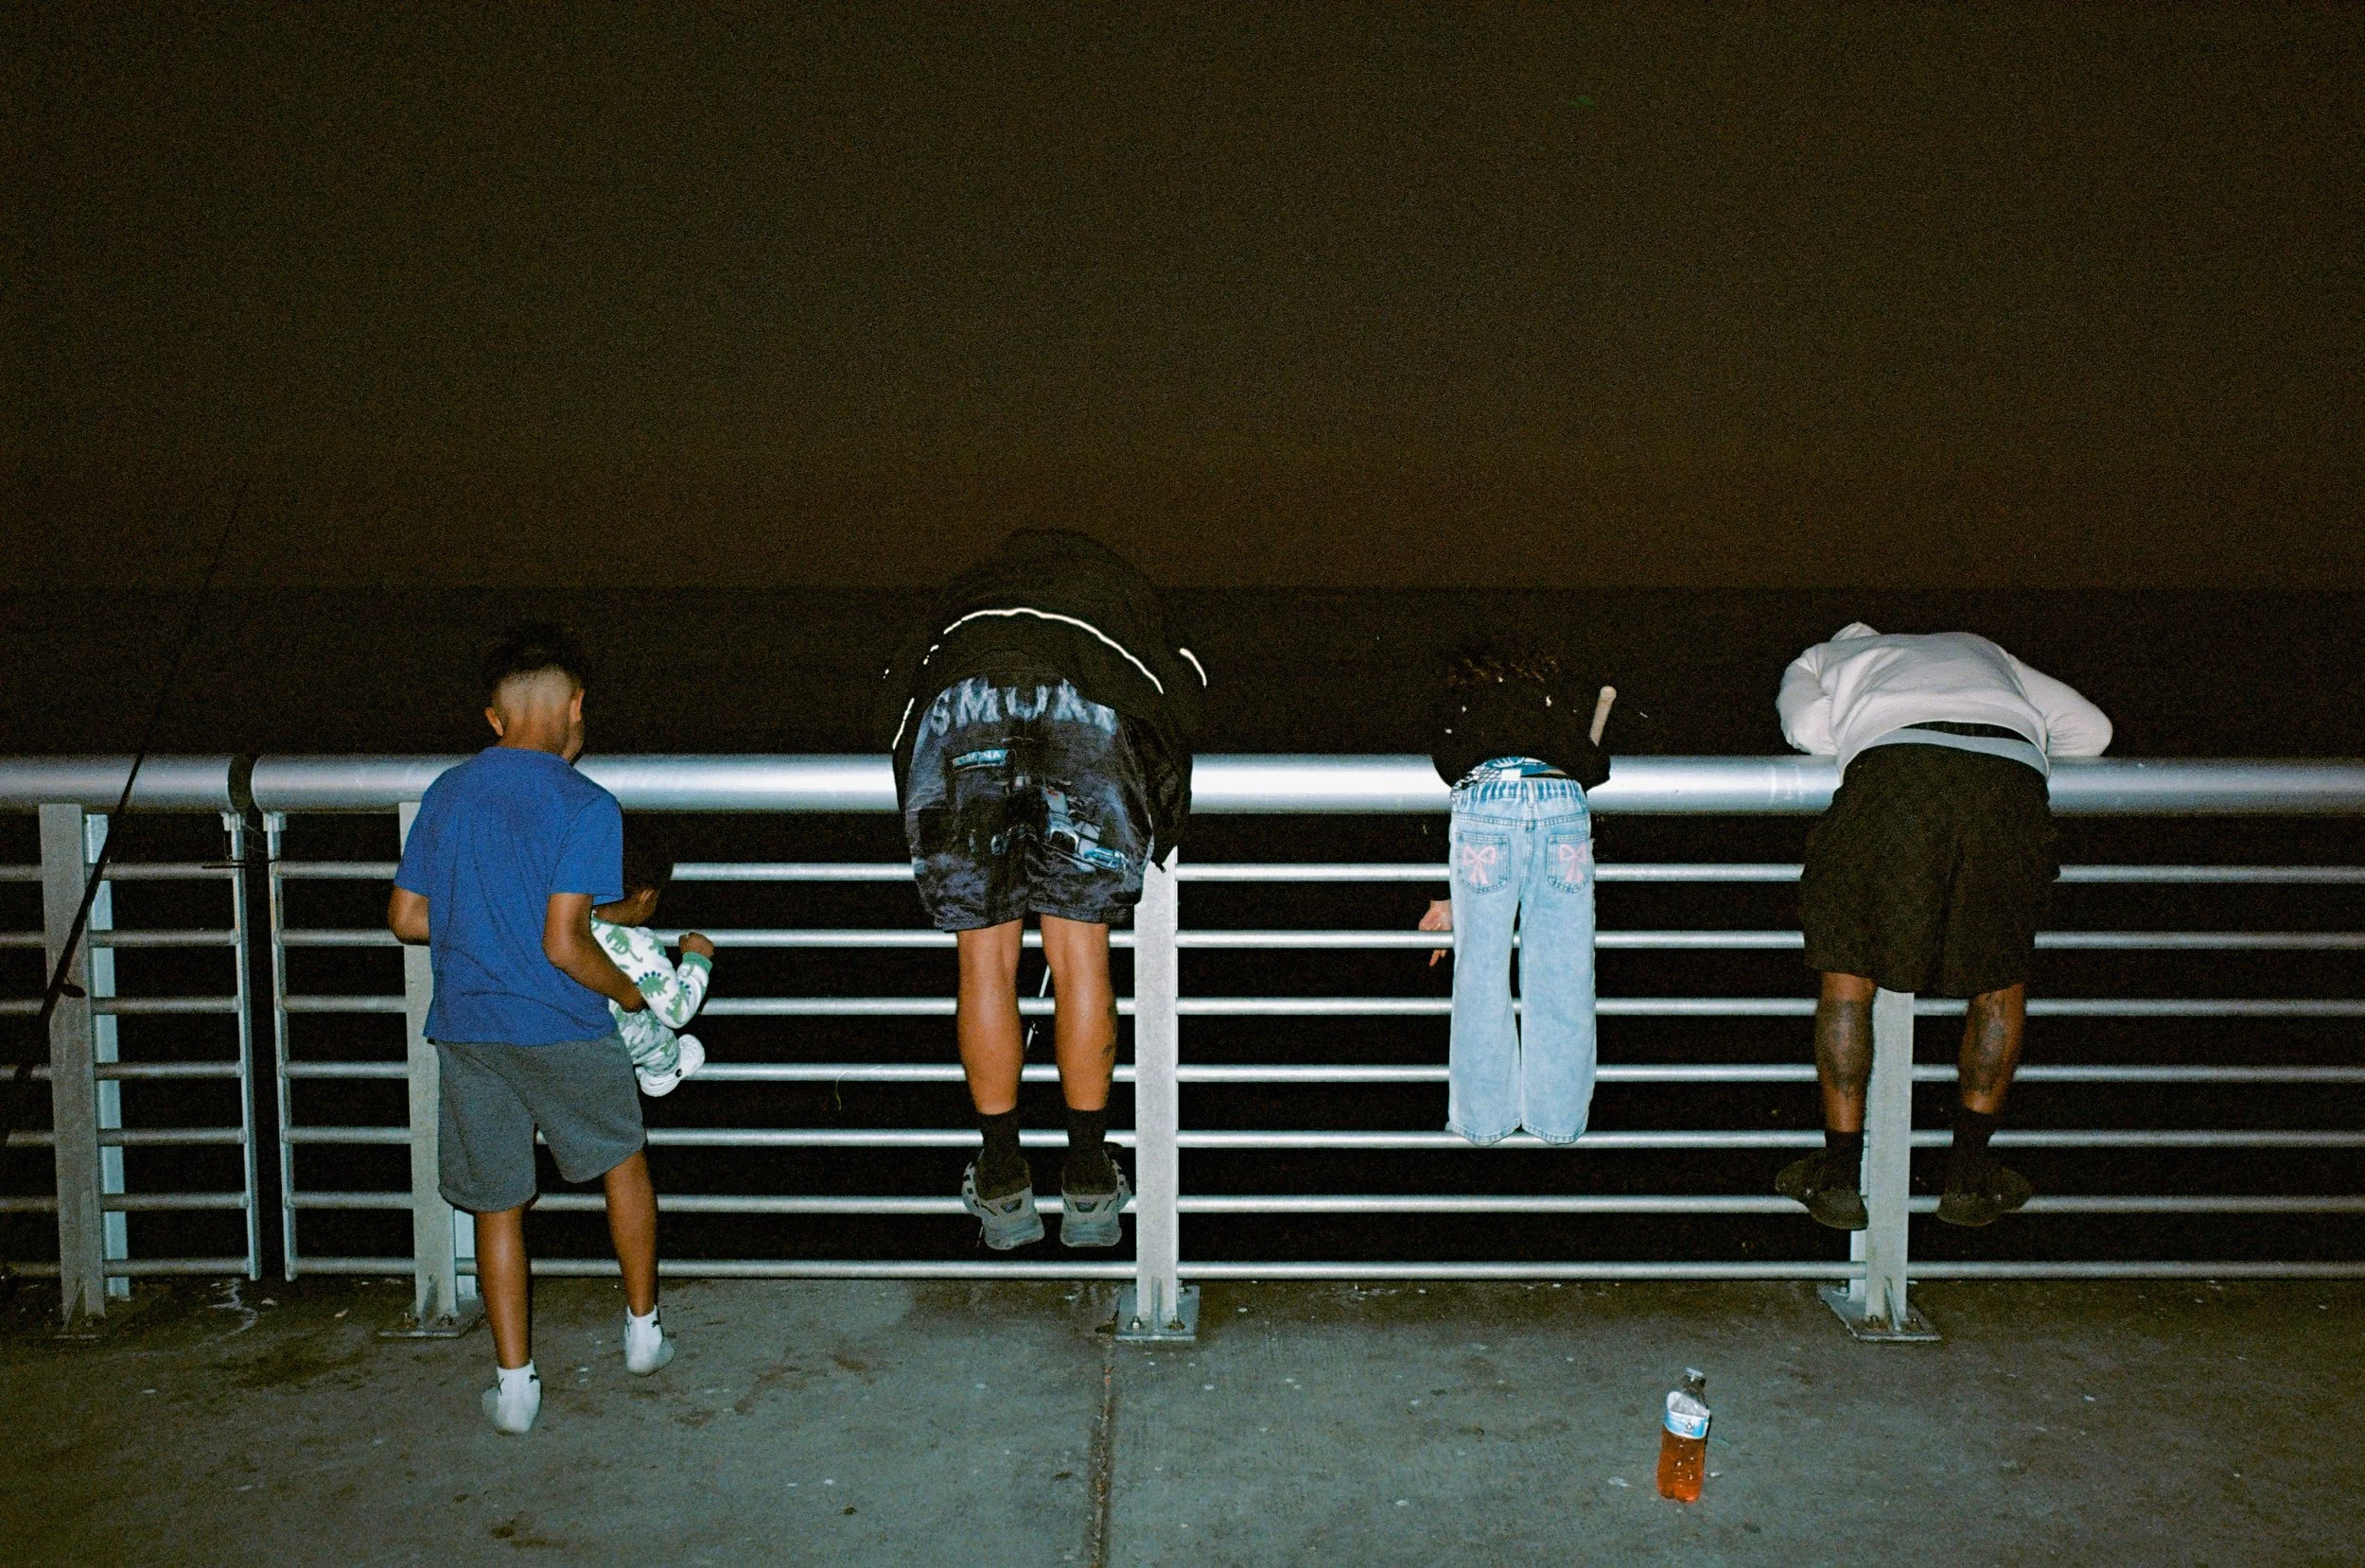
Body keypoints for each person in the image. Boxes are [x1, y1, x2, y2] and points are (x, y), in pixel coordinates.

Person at [875, 529, 1204, 1249]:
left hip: (961, 703)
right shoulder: (1115, 592)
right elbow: (1183, 693)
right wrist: (1163, 821)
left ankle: (1001, 1177)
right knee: (1081, 956)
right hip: (1088, 698)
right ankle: (1089, 1177)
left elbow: (898, 703)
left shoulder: (966, 601)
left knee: (983, 962)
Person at [387, 623, 674, 1436]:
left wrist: (484, 920)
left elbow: (407, 918)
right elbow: (565, 943)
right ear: (577, 706)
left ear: (493, 718)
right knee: (622, 1164)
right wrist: (630, 996)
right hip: (561, 1024)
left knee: (497, 1202)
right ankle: (643, 1331)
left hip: (470, 1027)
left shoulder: (447, 793)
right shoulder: (586, 805)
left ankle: (515, 1387)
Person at [1772, 623, 2112, 1229]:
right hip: (2008, 775)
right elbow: (2093, 731)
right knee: (1999, 979)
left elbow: (1805, 731)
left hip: (1895, 769)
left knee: (1848, 975)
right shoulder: (1984, 648)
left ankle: (1840, 1176)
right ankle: (1969, 1177)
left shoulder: (1827, 655)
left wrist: (1876, 720)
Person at [1415, 646, 1614, 1144]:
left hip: (1487, 803)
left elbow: (1447, 764)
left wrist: (1448, 898)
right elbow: (1593, 764)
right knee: (1566, 970)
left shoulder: (1462, 704)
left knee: (1480, 971)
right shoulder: (1551, 701)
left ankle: (1483, 1121)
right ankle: (1560, 1119)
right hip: (1560, 804)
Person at [591, 830, 715, 1096]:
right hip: (603, 1043)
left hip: (556, 1034)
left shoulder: (568, 923)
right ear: (646, 895)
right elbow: (677, 1012)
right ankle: (664, 1072)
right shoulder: (641, 946)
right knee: (660, 1036)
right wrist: (696, 961)